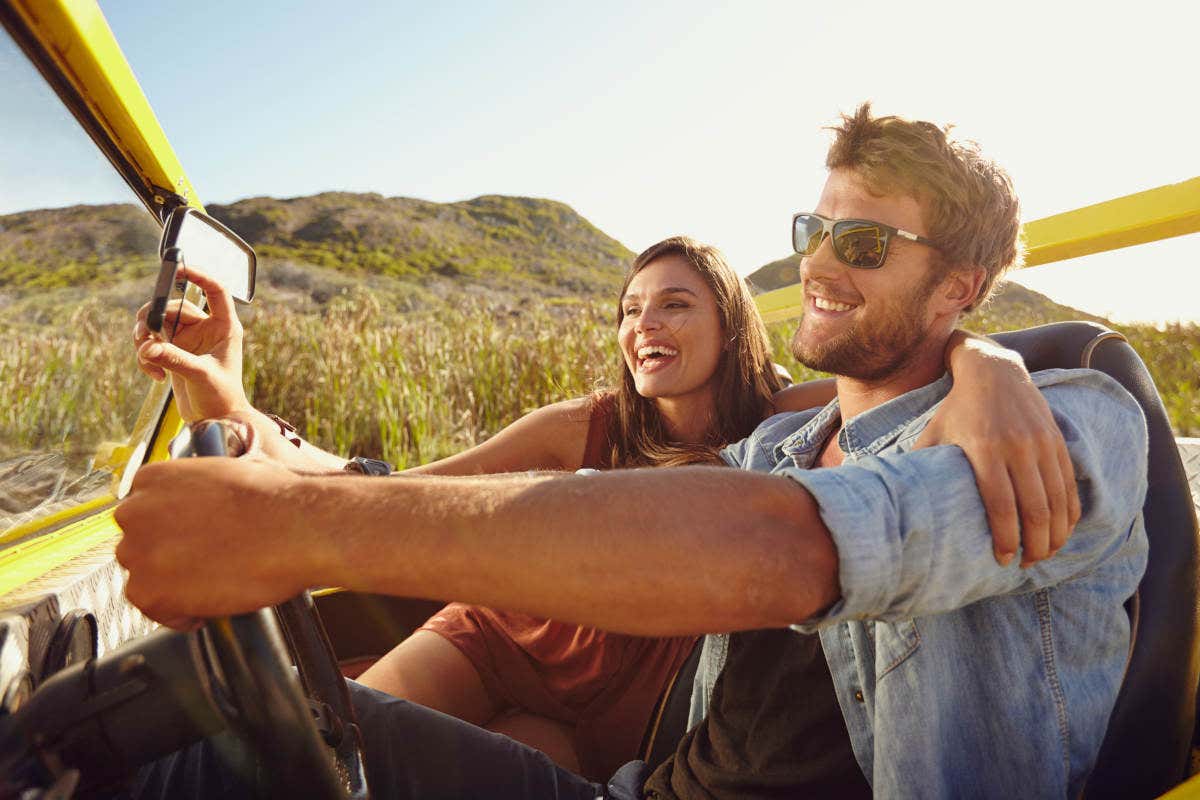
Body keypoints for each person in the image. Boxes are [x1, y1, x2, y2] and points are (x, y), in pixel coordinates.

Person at [113, 103, 1146, 798]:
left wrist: (293, 529)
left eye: (864, 243)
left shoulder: (1062, 427)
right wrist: (238, 413)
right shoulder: (784, 440)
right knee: (211, 743)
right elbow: (423, 490)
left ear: (961, 283)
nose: (820, 262)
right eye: (813, 229)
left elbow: (789, 550)